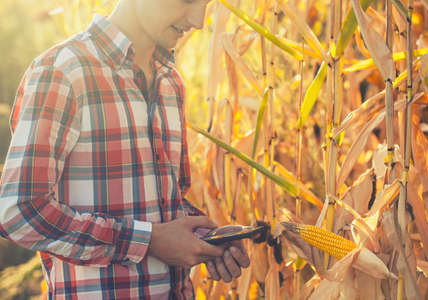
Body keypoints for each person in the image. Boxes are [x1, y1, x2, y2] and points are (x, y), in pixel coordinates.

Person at [0, 0, 250, 298]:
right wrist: (149, 241)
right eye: (187, 1)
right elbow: (19, 212)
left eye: (206, 4)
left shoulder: (170, 83)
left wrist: (207, 239)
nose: (198, 20)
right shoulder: (63, 71)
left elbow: (164, 204)